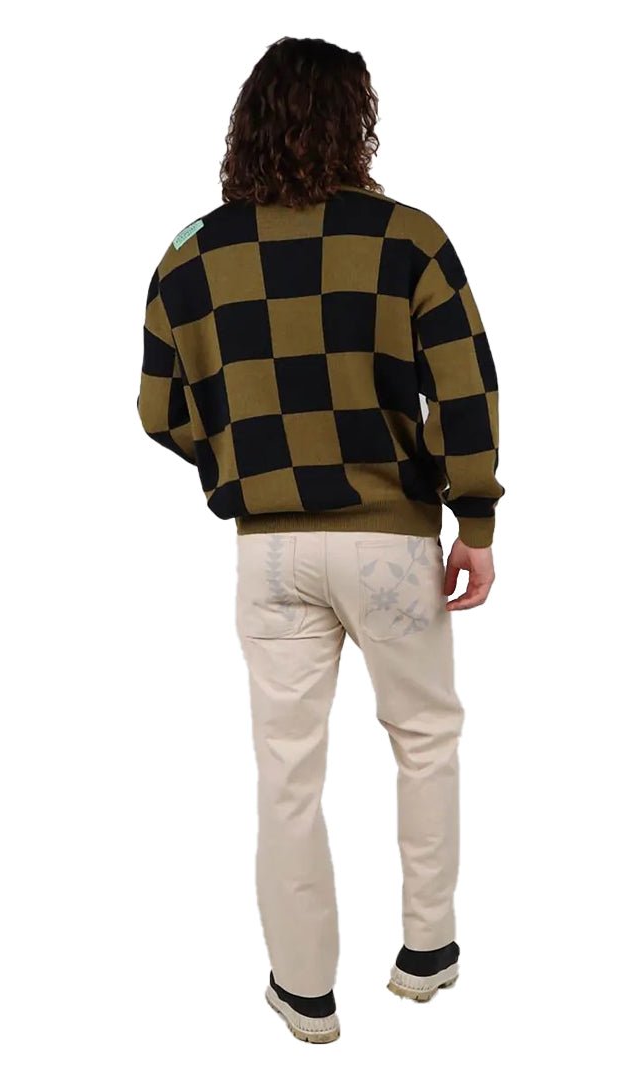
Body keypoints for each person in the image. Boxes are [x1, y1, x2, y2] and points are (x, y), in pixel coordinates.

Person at [136, 35, 505, 1044]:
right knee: (423, 739)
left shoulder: (191, 253)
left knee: (285, 768)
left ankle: (303, 993)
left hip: (268, 552)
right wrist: (472, 517)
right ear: (357, 121)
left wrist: (238, 467)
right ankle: (426, 951)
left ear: (249, 120)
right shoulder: (409, 239)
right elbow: (465, 389)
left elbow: (159, 409)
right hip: (389, 543)